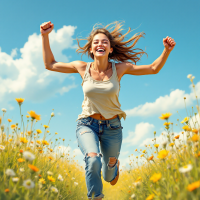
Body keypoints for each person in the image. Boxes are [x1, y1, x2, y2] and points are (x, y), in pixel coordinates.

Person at [40, 21, 176, 200]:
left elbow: (153, 69)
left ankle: (113, 166)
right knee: (92, 159)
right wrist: (45, 36)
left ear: (110, 49)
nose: (100, 44)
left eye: (104, 42)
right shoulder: (82, 67)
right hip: (87, 124)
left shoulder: (120, 68)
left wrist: (166, 50)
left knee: (108, 176)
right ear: (91, 49)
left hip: (112, 127)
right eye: (96, 42)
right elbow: (50, 64)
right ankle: (96, 197)